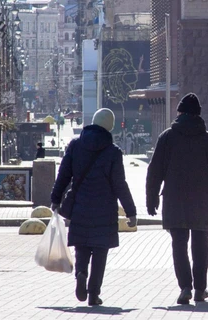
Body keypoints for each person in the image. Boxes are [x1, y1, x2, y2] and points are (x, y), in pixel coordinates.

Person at [145, 92, 208, 305]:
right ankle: (200, 289)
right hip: (202, 202)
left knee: (179, 244)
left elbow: (154, 171)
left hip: (175, 202)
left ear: (181, 113)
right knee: (201, 245)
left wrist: (151, 198)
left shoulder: (167, 138)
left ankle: (185, 286)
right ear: (198, 115)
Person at [50, 108, 137, 306]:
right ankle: (94, 294)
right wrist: (131, 211)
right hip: (105, 210)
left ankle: (81, 273)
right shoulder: (113, 152)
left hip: (80, 207)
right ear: (110, 127)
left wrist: (55, 199)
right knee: (100, 252)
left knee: (82, 246)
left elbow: (63, 175)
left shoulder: (75, 146)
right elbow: (119, 184)